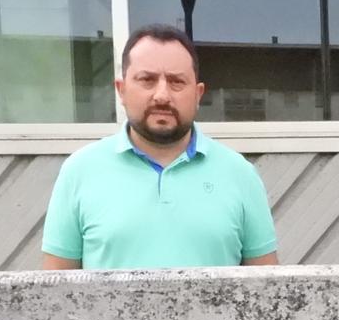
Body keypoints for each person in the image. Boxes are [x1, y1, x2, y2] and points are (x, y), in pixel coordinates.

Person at [42, 24, 278, 269]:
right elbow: (54, 293)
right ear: (121, 90)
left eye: (177, 82)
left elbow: (268, 292)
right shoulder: (80, 171)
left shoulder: (240, 174)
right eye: (147, 80)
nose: (162, 95)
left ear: (198, 94)